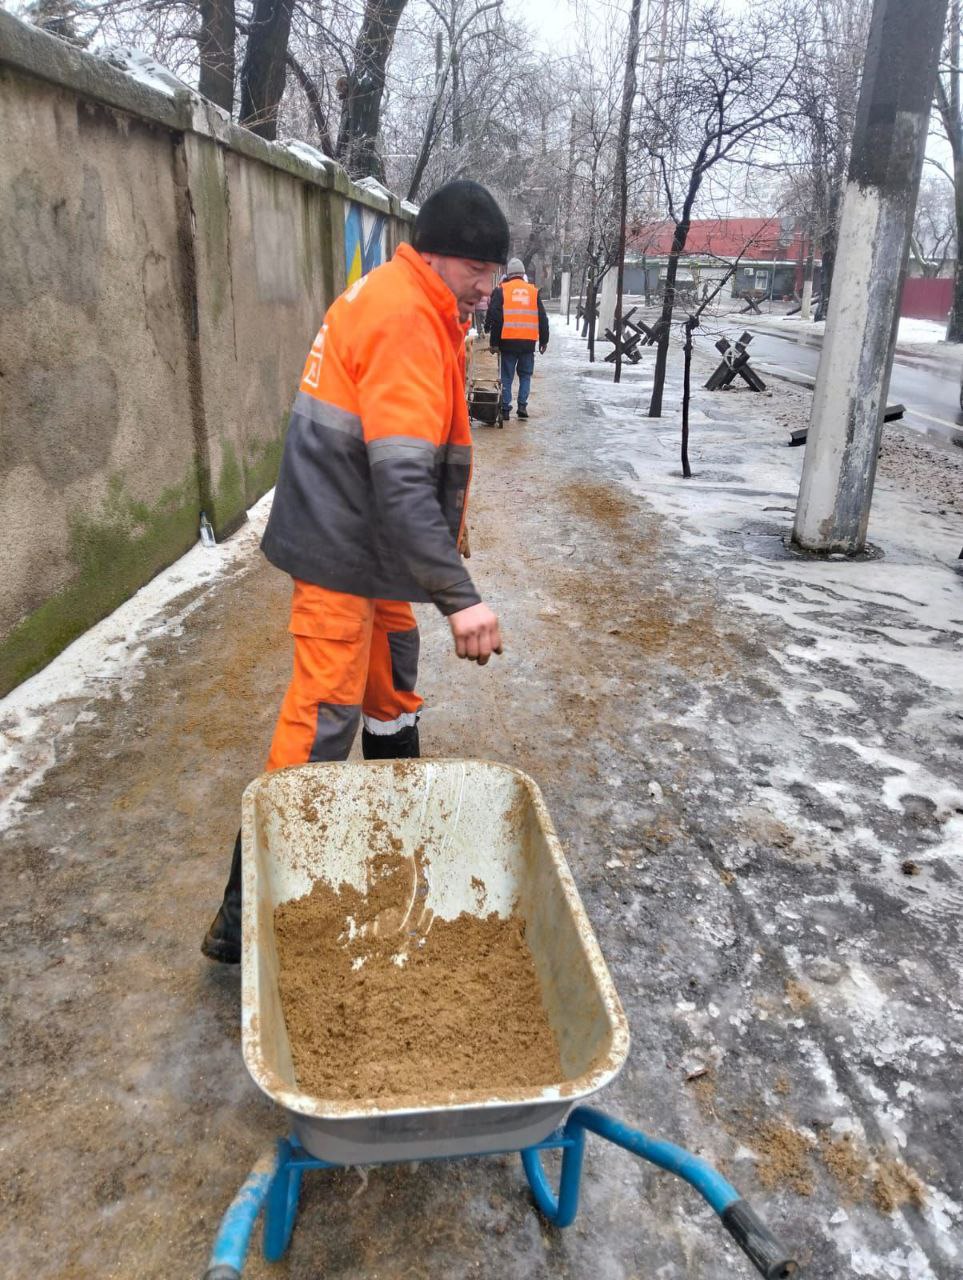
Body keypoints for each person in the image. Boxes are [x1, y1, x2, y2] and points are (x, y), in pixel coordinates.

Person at [201, 180, 509, 964]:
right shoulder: (405, 315)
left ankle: (392, 822)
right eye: (479, 268)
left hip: (369, 549)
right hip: (345, 549)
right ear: (439, 253)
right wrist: (459, 600)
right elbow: (401, 476)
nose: (488, 285)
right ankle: (247, 914)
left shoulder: (417, 300)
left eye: (493, 269)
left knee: (389, 687)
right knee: (321, 717)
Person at [485, 257, 549, 420]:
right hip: (528, 342)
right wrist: (544, 340)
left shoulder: (501, 291)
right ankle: (522, 406)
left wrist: (494, 343)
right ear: (522, 274)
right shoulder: (533, 291)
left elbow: (496, 317)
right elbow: (542, 317)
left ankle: (505, 409)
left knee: (507, 376)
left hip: (508, 341)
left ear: (509, 274)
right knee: (525, 375)